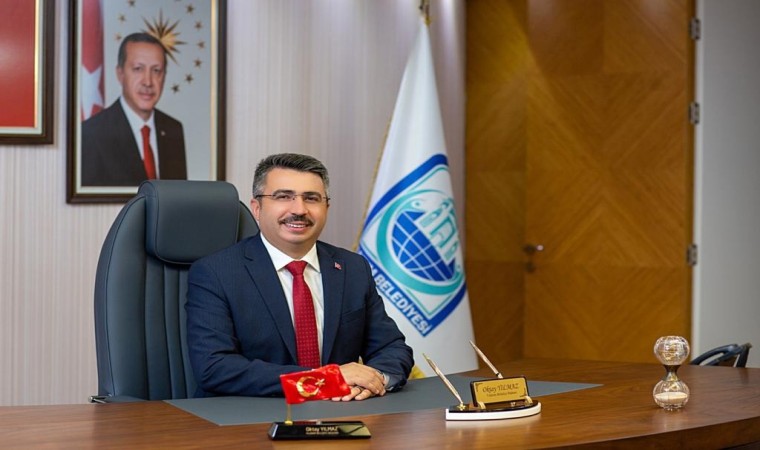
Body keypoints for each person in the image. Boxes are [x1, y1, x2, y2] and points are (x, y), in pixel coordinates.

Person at [186, 153, 414, 400]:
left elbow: (391, 347)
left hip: (342, 412)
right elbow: (214, 367)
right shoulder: (216, 272)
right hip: (251, 415)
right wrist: (324, 380)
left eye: (311, 198)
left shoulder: (352, 267)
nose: (299, 210)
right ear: (257, 208)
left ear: (326, 208)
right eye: (284, 197)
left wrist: (373, 380)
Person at [81, 32, 186, 186]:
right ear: (120, 74)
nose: (148, 82)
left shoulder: (173, 129)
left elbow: (179, 196)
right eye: (138, 69)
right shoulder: (92, 134)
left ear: (164, 76)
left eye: (156, 70)